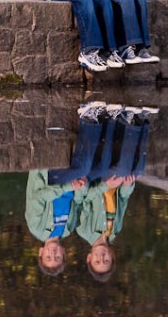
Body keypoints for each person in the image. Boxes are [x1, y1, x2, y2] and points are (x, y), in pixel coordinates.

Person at [24, 102, 110, 276]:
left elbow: (39, 197)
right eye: (57, 257)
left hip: (49, 177)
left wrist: (68, 186)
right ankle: (107, 118)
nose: (53, 254)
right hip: (73, 180)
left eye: (49, 257)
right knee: (101, 169)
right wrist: (80, 187)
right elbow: (78, 201)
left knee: (84, 168)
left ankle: (89, 118)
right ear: (64, 253)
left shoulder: (36, 228)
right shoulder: (68, 229)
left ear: (41, 253)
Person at [77, 105, 154, 282]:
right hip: (115, 182)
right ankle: (140, 120)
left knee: (123, 168)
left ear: (89, 257)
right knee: (137, 170)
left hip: (97, 179)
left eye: (97, 260)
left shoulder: (84, 231)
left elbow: (84, 197)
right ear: (112, 255)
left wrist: (106, 185)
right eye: (106, 260)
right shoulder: (115, 231)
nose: (101, 257)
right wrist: (127, 186)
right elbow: (123, 199)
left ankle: (126, 120)